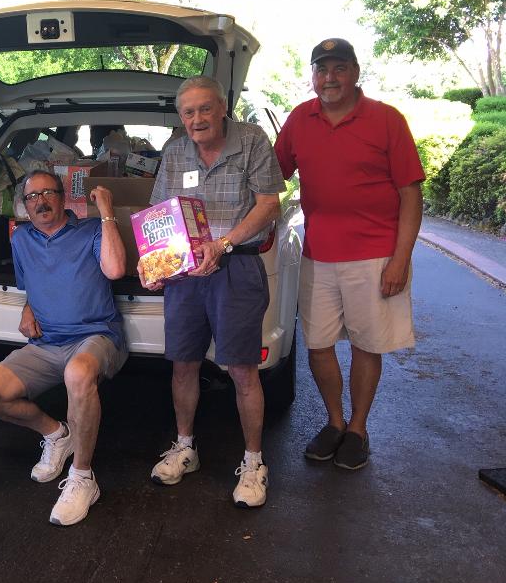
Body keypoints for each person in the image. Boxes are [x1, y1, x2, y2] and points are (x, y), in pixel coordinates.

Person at [274, 38, 424, 470]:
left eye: (338, 68)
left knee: (365, 343)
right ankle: (335, 422)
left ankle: (358, 428)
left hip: (375, 255)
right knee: (318, 344)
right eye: (321, 69)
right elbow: (271, 173)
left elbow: (410, 195)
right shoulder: (301, 118)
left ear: (355, 72)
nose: (329, 78)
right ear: (313, 76)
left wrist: (400, 258)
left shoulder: (386, 120)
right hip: (318, 254)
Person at [141, 75, 284, 508]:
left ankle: (254, 462)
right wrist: (151, 261)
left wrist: (221, 244)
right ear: (181, 117)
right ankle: (185, 447)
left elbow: (269, 203)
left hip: (235, 266)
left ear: (222, 108)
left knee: (241, 369)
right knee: (183, 364)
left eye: (205, 109)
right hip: (186, 274)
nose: (197, 119)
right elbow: (158, 212)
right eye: (188, 112)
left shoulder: (253, 140)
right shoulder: (175, 150)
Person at [0, 170, 127, 526]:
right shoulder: (21, 238)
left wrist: (105, 211)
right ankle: (57, 434)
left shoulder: (88, 230)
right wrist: (28, 307)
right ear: (24, 205)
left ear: (62, 196)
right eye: (32, 197)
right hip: (46, 342)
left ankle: (83, 477)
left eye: (48, 193)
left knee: (78, 373)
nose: (41, 202)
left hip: (95, 336)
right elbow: (32, 284)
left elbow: (116, 269)